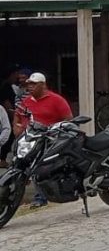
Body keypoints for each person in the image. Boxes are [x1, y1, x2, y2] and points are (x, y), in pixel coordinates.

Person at [14, 73, 72, 208]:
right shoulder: (26, 101)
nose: (30, 86)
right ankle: (13, 196)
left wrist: (56, 133)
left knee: (39, 166)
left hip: (48, 140)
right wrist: (17, 129)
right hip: (28, 139)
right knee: (18, 164)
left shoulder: (56, 100)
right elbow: (17, 116)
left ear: (43, 85)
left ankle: (40, 197)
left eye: (34, 84)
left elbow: (68, 119)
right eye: (29, 84)